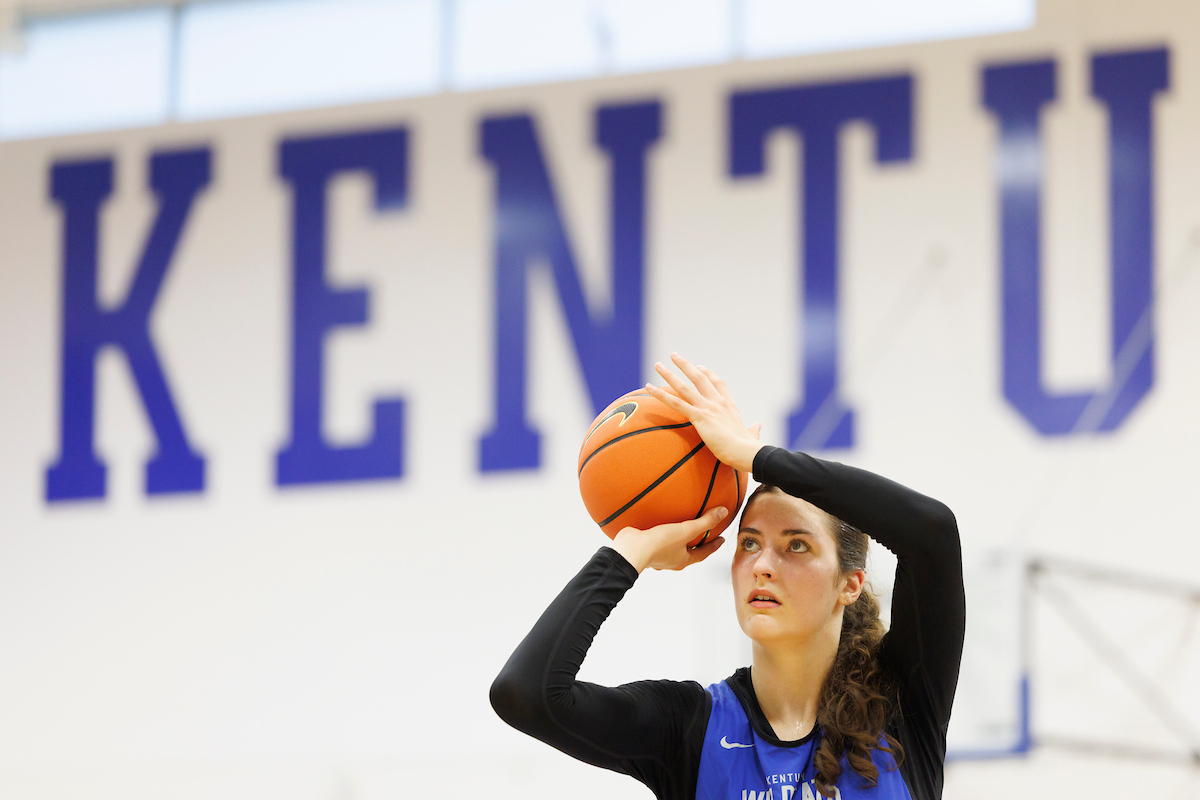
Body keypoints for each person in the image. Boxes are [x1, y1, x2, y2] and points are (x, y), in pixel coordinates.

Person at [490, 354, 965, 800]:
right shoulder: (690, 728)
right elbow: (524, 693)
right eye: (750, 543)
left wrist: (757, 457)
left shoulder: (900, 704)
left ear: (850, 583)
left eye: (796, 545)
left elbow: (932, 533)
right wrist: (627, 554)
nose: (762, 564)